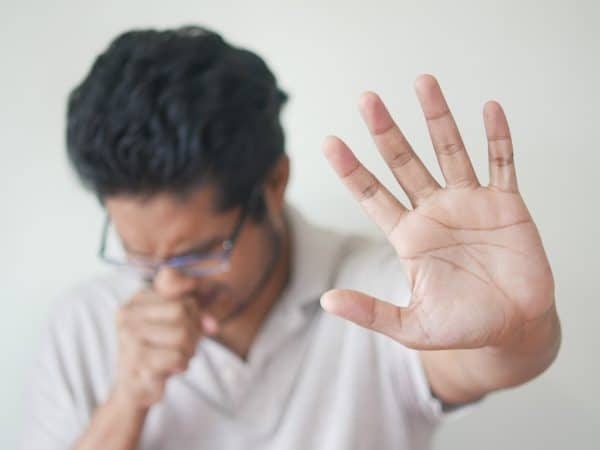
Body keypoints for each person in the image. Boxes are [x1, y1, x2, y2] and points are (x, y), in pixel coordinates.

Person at [22, 25, 561, 450]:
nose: (169, 286)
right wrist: (127, 402)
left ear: (274, 183)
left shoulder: (378, 289)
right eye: (139, 256)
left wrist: (517, 330)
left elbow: (483, 361)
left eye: (201, 253)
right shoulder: (82, 324)